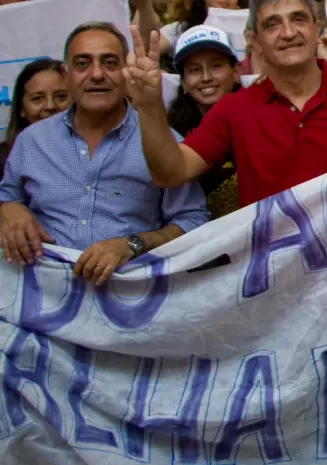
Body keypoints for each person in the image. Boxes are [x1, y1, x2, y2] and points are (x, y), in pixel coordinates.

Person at [124, 0, 327, 209]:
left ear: (317, 29)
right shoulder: (234, 109)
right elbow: (171, 173)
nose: (288, 33)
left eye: (299, 19)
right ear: (255, 41)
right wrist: (149, 106)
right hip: (272, 280)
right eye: (272, 24)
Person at [0, 22, 209, 282]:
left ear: (127, 72)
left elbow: (194, 221)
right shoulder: (31, 142)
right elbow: (7, 197)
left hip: (131, 302)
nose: (97, 74)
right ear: (66, 75)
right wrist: (7, 207)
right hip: (42, 304)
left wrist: (133, 245)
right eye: (83, 64)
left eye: (110, 63)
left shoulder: (164, 144)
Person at [165, 26, 244, 218]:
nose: (206, 77)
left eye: (216, 66)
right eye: (194, 70)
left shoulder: (261, 119)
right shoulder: (171, 135)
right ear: (183, 82)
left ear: (235, 72)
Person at [0, 60, 69, 179]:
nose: (50, 106)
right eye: (37, 98)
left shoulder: (96, 150)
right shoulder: (3, 159)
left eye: (61, 96)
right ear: (21, 108)